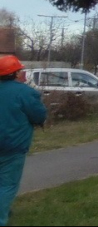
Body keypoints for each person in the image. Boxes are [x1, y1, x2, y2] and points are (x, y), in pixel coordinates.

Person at [0, 55, 47, 226]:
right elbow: (39, 115)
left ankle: (5, 209)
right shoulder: (25, 92)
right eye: (21, 70)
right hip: (12, 145)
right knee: (7, 185)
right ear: (16, 73)